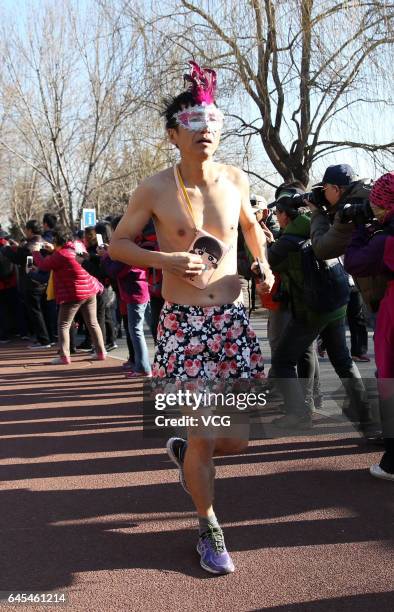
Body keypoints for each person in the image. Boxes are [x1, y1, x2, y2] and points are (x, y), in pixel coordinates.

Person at [109, 60, 274, 575]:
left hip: (232, 324)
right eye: (195, 123)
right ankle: (210, 528)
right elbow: (118, 245)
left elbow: (251, 228)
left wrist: (264, 265)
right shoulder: (154, 188)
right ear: (173, 133)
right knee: (205, 432)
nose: (207, 131)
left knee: (237, 438)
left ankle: (184, 454)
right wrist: (164, 261)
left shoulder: (237, 179)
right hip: (182, 326)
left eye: (215, 121)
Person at [258, 193, 379, 437]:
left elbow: (261, 264)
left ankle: (298, 415)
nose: (276, 217)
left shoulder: (289, 241)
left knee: (282, 361)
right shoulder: (317, 227)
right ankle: (367, 419)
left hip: (311, 310)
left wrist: (257, 241)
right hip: (335, 306)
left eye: (278, 213)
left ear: (284, 214)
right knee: (342, 361)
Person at [344, 171, 394, 481]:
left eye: (377, 205)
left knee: (389, 376)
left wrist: (363, 230)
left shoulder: (386, 239)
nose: (373, 209)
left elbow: (355, 262)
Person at [33, 228, 106, 364]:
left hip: (73, 293)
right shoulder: (74, 249)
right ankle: (101, 352)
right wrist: (53, 250)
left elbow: (43, 265)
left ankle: (64, 356)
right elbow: (60, 258)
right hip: (90, 290)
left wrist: (36, 251)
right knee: (93, 322)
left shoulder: (60, 255)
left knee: (63, 325)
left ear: (56, 241)